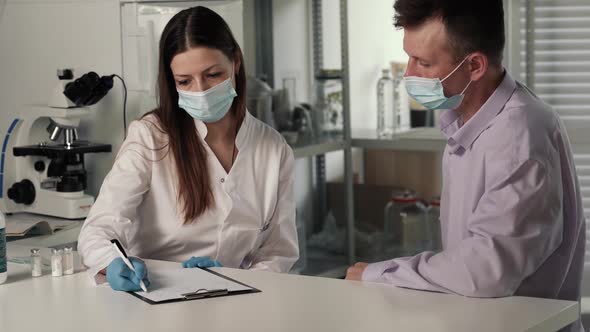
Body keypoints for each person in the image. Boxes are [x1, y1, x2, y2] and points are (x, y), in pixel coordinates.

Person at [346, 1, 585, 330]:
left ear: (474, 66)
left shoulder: (518, 135)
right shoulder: (468, 122)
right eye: (409, 57)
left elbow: (485, 271)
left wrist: (377, 274)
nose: (408, 74)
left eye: (424, 62)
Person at [78, 6, 298, 291]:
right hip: (156, 301)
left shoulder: (273, 149)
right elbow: (98, 230)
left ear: (236, 63)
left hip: (237, 304)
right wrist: (112, 263)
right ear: (172, 81)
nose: (201, 91)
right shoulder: (150, 137)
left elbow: (278, 253)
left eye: (213, 75)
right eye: (185, 81)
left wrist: (239, 279)